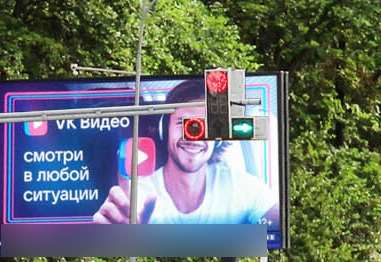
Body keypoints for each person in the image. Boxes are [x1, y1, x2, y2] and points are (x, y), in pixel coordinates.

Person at [93, 75, 278, 228]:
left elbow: (276, 226)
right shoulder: (138, 197)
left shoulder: (245, 189)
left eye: (205, 126)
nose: (194, 136)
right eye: (184, 123)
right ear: (164, 129)